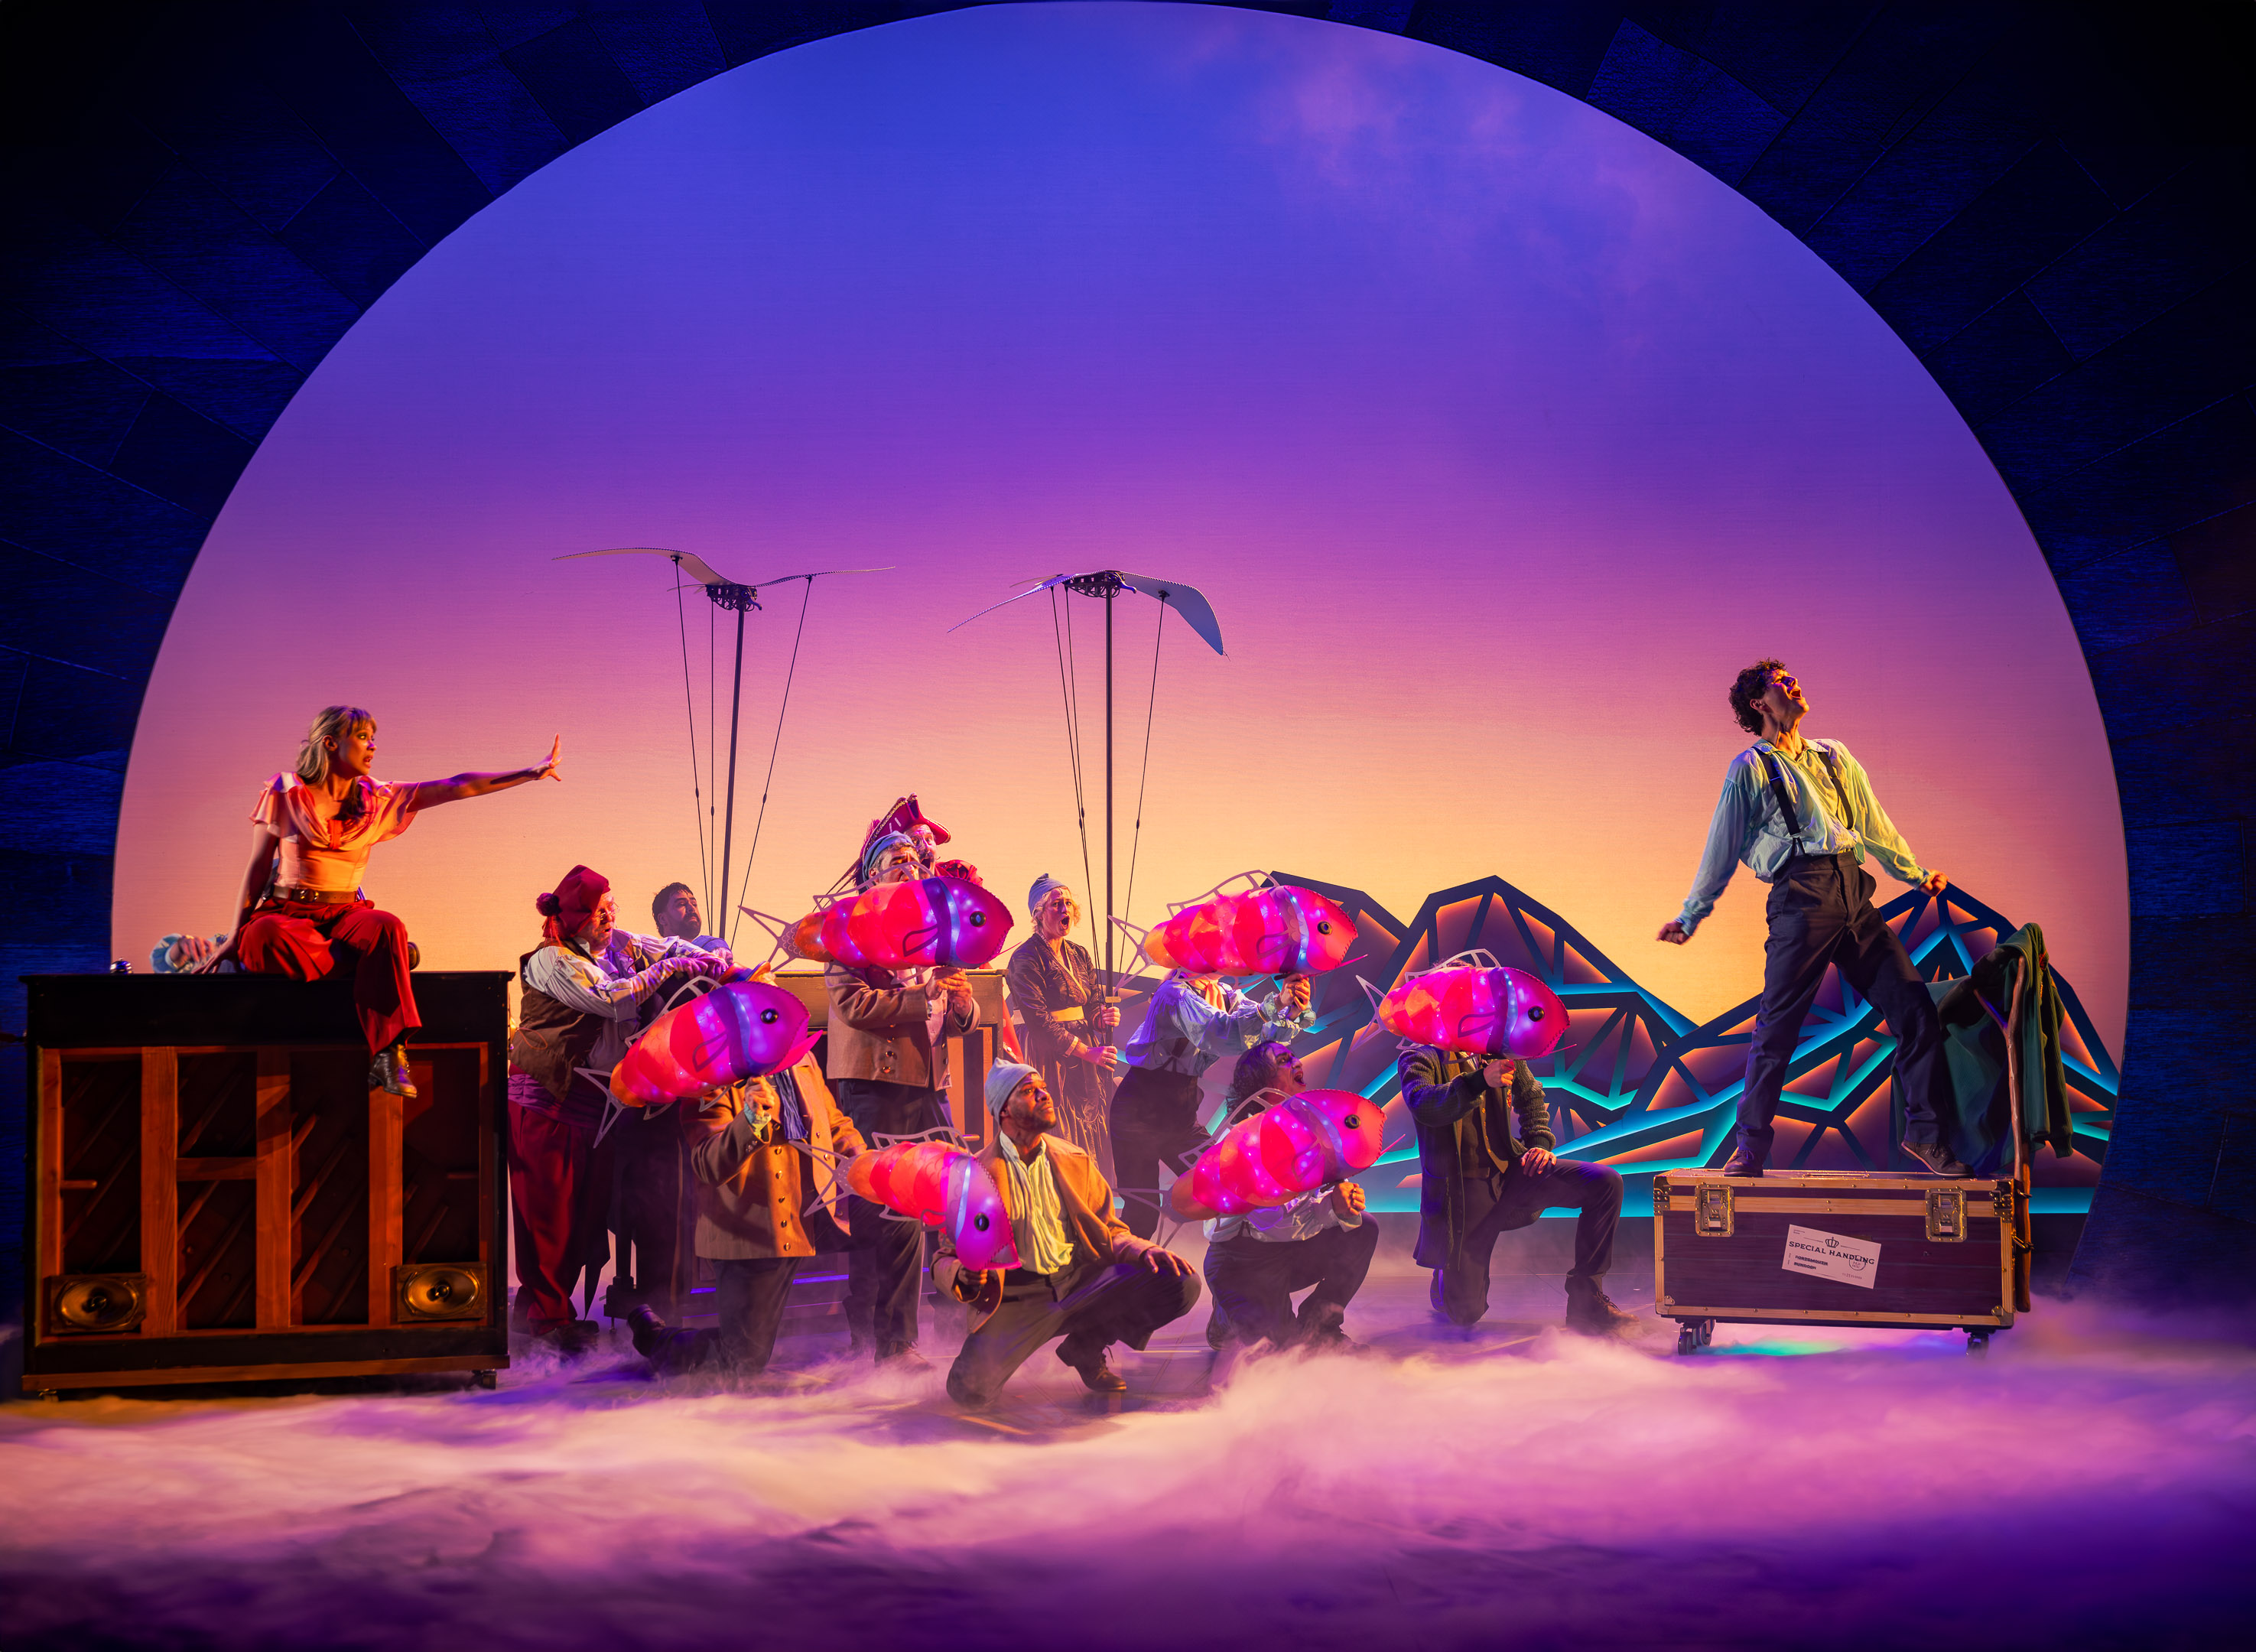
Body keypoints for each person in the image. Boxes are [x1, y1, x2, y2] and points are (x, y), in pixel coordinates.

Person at [1659, 661, 1968, 1179]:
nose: (1794, 683)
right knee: (1777, 1029)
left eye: (1793, 676)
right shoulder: (1751, 767)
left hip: (1853, 892)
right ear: (1759, 703)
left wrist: (1913, 874)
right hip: (1802, 896)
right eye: (1781, 681)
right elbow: (1723, 845)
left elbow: (1873, 824)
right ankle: (1749, 1148)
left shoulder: (1834, 755)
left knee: (1916, 1011)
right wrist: (1691, 915)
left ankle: (1925, 1135)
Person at [192, 704, 562, 1096]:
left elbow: (457, 785)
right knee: (263, 936)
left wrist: (528, 773)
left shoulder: (376, 798)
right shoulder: (286, 792)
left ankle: (388, 1054)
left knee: (387, 926)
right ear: (330, 743)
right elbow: (257, 867)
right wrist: (235, 934)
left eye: (373, 738)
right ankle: (378, 961)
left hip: (345, 913)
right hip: (288, 913)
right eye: (363, 738)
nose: (372, 747)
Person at [507, 864, 725, 1354]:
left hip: (597, 1103)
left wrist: (711, 956)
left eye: (611, 908)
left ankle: (537, 1312)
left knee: (584, 1217)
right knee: (550, 1216)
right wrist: (667, 970)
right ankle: (549, 1322)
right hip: (548, 1098)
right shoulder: (551, 960)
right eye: (600, 912)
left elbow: (667, 947)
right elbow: (610, 999)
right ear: (575, 918)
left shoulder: (621, 944)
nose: (610, 918)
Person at [935, 1062, 1200, 1409]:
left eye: (1043, 1088)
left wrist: (1142, 1249)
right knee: (968, 1392)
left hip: (1081, 1283)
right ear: (1004, 1110)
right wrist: (962, 1275)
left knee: (1179, 1282)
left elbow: (1110, 1229)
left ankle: (1085, 1346)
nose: (1044, 1096)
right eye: (1029, 1091)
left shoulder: (1074, 1159)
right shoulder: (975, 1175)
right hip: (1018, 1296)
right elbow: (945, 1257)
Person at [826, 830, 978, 1367]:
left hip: (930, 1087)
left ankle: (958, 1322)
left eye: (915, 860)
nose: (910, 868)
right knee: (886, 1212)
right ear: (871, 876)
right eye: (896, 861)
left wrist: (962, 1004)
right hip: (876, 1087)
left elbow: (956, 1018)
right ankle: (888, 1342)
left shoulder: (932, 935)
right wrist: (923, 994)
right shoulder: (849, 933)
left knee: (958, 1196)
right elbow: (854, 1006)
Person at [626, 1041, 866, 1377]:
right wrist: (750, 1119)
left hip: (818, 1211)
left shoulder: (800, 1054)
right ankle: (655, 1338)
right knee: (742, 1362)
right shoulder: (709, 1069)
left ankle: (894, 1345)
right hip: (757, 1227)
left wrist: (865, 1162)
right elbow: (708, 1163)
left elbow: (834, 1123)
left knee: (896, 1221)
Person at [1398, 1044, 1638, 1335]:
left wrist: (1539, 1143)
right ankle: (1444, 1277)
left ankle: (1586, 1299)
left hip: (1512, 1173)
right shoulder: (1421, 1056)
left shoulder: (1498, 1051)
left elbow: (1532, 1096)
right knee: (1465, 1314)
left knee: (1604, 1183)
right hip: (1463, 1194)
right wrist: (1479, 1081)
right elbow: (1423, 1104)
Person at [1201, 1042, 1379, 1362]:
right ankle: (1228, 1316)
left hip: (1284, 1251)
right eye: (1284, 1060)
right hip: (1243, 1261)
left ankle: (1321, 1328)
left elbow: (1306, 1200)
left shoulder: (1303, 1126)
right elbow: (1274, 1220)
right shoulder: (1245, 1137)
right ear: (1261, 1080)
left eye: (1295, 1056)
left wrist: (1342, 1203)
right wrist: (1332, 1209)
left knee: (1361, 1228)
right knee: (1282, 1357)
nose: (1298, 1062)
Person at [1109, 965, 1315, 1240]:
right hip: (1138, 1112)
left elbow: (1265, 1035)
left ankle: (1207, 1233)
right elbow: (1217, 1033)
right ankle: (1119, 1263)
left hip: (1180, 1116)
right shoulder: (1174, 993)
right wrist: (1277, 1003)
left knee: (1228, 1178)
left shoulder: (1225, 995)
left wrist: (1292, 1009)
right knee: (1142, 1212)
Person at [1003, 874, 1120, 1166]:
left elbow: (1091, 1002)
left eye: (1068, 903)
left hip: (1084, 1054)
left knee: (1090, 1125)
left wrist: (1101, 1017)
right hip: (1046, 1055)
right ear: (1039, 914)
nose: (1065, 909)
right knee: (1058, 1125)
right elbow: (1039, 1021)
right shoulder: (1025, 958)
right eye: (1057, 904)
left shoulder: (1079, 953)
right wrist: (1086, 1052)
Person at [651, 882, 727, 952]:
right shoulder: (652, 958)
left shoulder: (713, 953)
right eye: (681, 904)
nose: (692, 908)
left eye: (694, 904)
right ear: (663, 919)